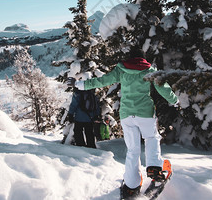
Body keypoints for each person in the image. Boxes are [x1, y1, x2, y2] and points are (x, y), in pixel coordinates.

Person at [67, 50, 178, 198]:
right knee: (151, 138)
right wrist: (174, 100)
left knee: (133, 150)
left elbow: (102, 81)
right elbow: (162, 87)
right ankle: (155, 169)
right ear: (143, 59)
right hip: (145, 113)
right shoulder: (150, 70)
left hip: (127, 115)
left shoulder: (121, 70)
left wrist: (79, 84)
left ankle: (132, 184)